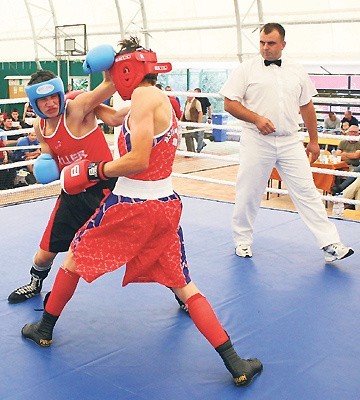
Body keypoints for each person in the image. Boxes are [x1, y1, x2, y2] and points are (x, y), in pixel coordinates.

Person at [21, 37, 263, 387]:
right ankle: (235, 362)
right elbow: (116, 116)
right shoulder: (147, 100)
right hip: (165, 206)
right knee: (184, 287)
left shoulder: (146, 98)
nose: (114, 78)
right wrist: (81, 102)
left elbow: (138, 160)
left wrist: (92, 170)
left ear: (129, 70)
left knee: (73, 259)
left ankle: (43, 329)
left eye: (116, 72)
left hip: (132, 206)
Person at [220, 22, 354, 262]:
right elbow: (229, 103)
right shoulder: (246, 69)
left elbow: (307, 106)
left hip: (291, 141)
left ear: (283, 44)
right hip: (256, 140)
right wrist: (256, 118)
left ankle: (330, 243)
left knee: (307, 191)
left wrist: (314, 141)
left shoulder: (296, 69)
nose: (265, 48)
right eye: (262, 42)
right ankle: (242, 240)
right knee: (248, 191)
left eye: (271, 43)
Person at [7, 68, 121, 304]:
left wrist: (109, 68)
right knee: (45, 253)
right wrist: (42, 167)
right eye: (43, 100)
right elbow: (50, 158)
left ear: (60, 94)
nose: (50, 104)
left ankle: (179, 290)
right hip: (72, 192)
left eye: (53, 97)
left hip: (106, 189)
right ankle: (35, 283)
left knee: (139, 244)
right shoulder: (41, 127)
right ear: (34, 103)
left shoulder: (78, 108)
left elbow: (109, 86)